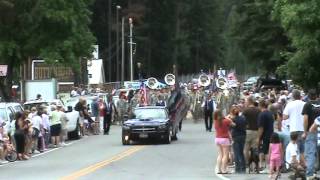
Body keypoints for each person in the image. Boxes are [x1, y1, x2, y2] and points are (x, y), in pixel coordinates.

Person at [283, 89, 305, 163]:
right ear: (300, 96)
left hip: (293, 129)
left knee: (294, 148)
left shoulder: (290, 104)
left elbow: (284, 117)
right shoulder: (304, 104)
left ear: (293, 96)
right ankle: (303, 164)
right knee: (302, 149)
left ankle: (296, 165)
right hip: (302, 128)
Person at [301, 89, 320, 179]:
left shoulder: (307, 105)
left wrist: (305, 132)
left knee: (311, 153)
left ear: (308, 96)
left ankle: (310, 174)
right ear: (316, 95)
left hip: (311, 131)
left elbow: (305, 119)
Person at [214, 109, 235, 174]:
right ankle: (224, 169)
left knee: (220, 154)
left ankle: (219, 169)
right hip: (225, 139)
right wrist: (226, 117)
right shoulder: (226, 121)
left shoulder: (215, 121)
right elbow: (234, 124)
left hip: (217, 138)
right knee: (225, 155)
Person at [257, 99, 274, 173]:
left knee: (265, 151)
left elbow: (261, 128)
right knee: (267, 151)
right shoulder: (270, 113)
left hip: (265, 135)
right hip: (271, 134)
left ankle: (266, 167)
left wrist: (258, 137)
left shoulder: (262, 114)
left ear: (260, 105)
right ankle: (267, 166)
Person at [242, 96, 261, 164]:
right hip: (256, 131)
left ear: (249, 101)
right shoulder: (258, 110)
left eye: (246, 101)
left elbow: (242, 120)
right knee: (255, 149)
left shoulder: (245, 111)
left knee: (246, 148)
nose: (246, 102)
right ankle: (254, 163)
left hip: (247, 131)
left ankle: (247, 162)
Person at [230, 106, 246, 173]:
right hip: (243, 136)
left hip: (236, 136)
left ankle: (237, 167)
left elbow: (231, 128)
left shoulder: (233, 120)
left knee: (236, 152)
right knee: (241, 152)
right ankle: (243, 167)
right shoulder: (243, 118)